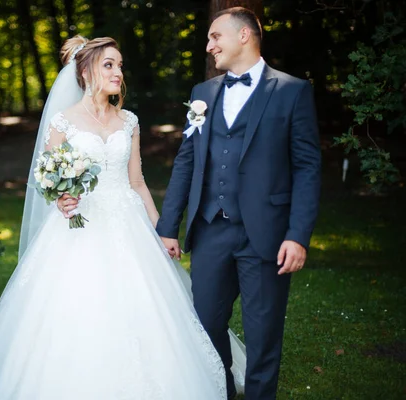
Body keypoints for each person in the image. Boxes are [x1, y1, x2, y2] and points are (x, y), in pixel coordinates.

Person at [0, 35, 246, 400]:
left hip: (129, 222)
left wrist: (162, 231)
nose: (117, 73)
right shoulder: (63, 122)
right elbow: (46, 176)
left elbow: (138, 182)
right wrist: (61, 197)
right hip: (80, 228)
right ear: (85, 71)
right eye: (109, 64)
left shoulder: (129, 121)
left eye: (120, 65)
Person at [157, 7, 321, 400]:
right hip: (211, 229)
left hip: (266, 234)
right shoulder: (203, 94)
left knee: (264, 336)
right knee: (206, 326)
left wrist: (297, 236)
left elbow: (308, 169)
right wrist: (167, 227)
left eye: (216, 37)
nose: (209, 45)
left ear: (244, 35)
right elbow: (186, 161)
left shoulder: (292, 91)